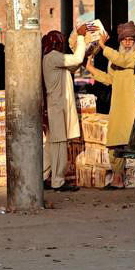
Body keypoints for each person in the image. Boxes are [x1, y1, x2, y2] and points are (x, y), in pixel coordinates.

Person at [86, 22, 135, 189]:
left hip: (133, 105)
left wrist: (102, 46)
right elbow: (110, 79)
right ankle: (117, 177)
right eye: (125, 40)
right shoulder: (114, 58)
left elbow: (121, 60)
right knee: (115, 142)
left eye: (131, 39)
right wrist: (91, 69)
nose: (128, 43)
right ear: (120, 41)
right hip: (118, 106)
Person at [42, 26, 90, 192]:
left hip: (56, 106)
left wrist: (85, 53)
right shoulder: (53, 57)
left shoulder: (52, 59)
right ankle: (58, 181)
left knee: (51, 145)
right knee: (59, 144)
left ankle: (42, 176)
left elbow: (73, 66)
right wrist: (82, 37)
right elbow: (76, 60)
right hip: (56, 107)